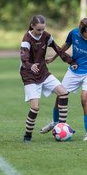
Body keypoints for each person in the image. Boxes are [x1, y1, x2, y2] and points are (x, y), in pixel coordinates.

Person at [40, 18, 87, 141]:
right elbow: (65, 46)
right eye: (85, 36)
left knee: (84, 98)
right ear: (80, 31)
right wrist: (53, 58)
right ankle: (56, 123)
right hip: (75, 68)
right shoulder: (74, 33)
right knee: (60, 95)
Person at [20, 15, 78, 143]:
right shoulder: (26, 39)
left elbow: (58, 49)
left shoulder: (46, 36)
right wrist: (31, 65)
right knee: (35, 107)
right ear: (32, 26)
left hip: (43, 73)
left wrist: (70, 61)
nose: (41, 32)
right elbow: (24, 59)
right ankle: (27, 135)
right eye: (38, 30)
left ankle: (62, 127)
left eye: (43, 29)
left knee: (63, 93)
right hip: (29, 76)